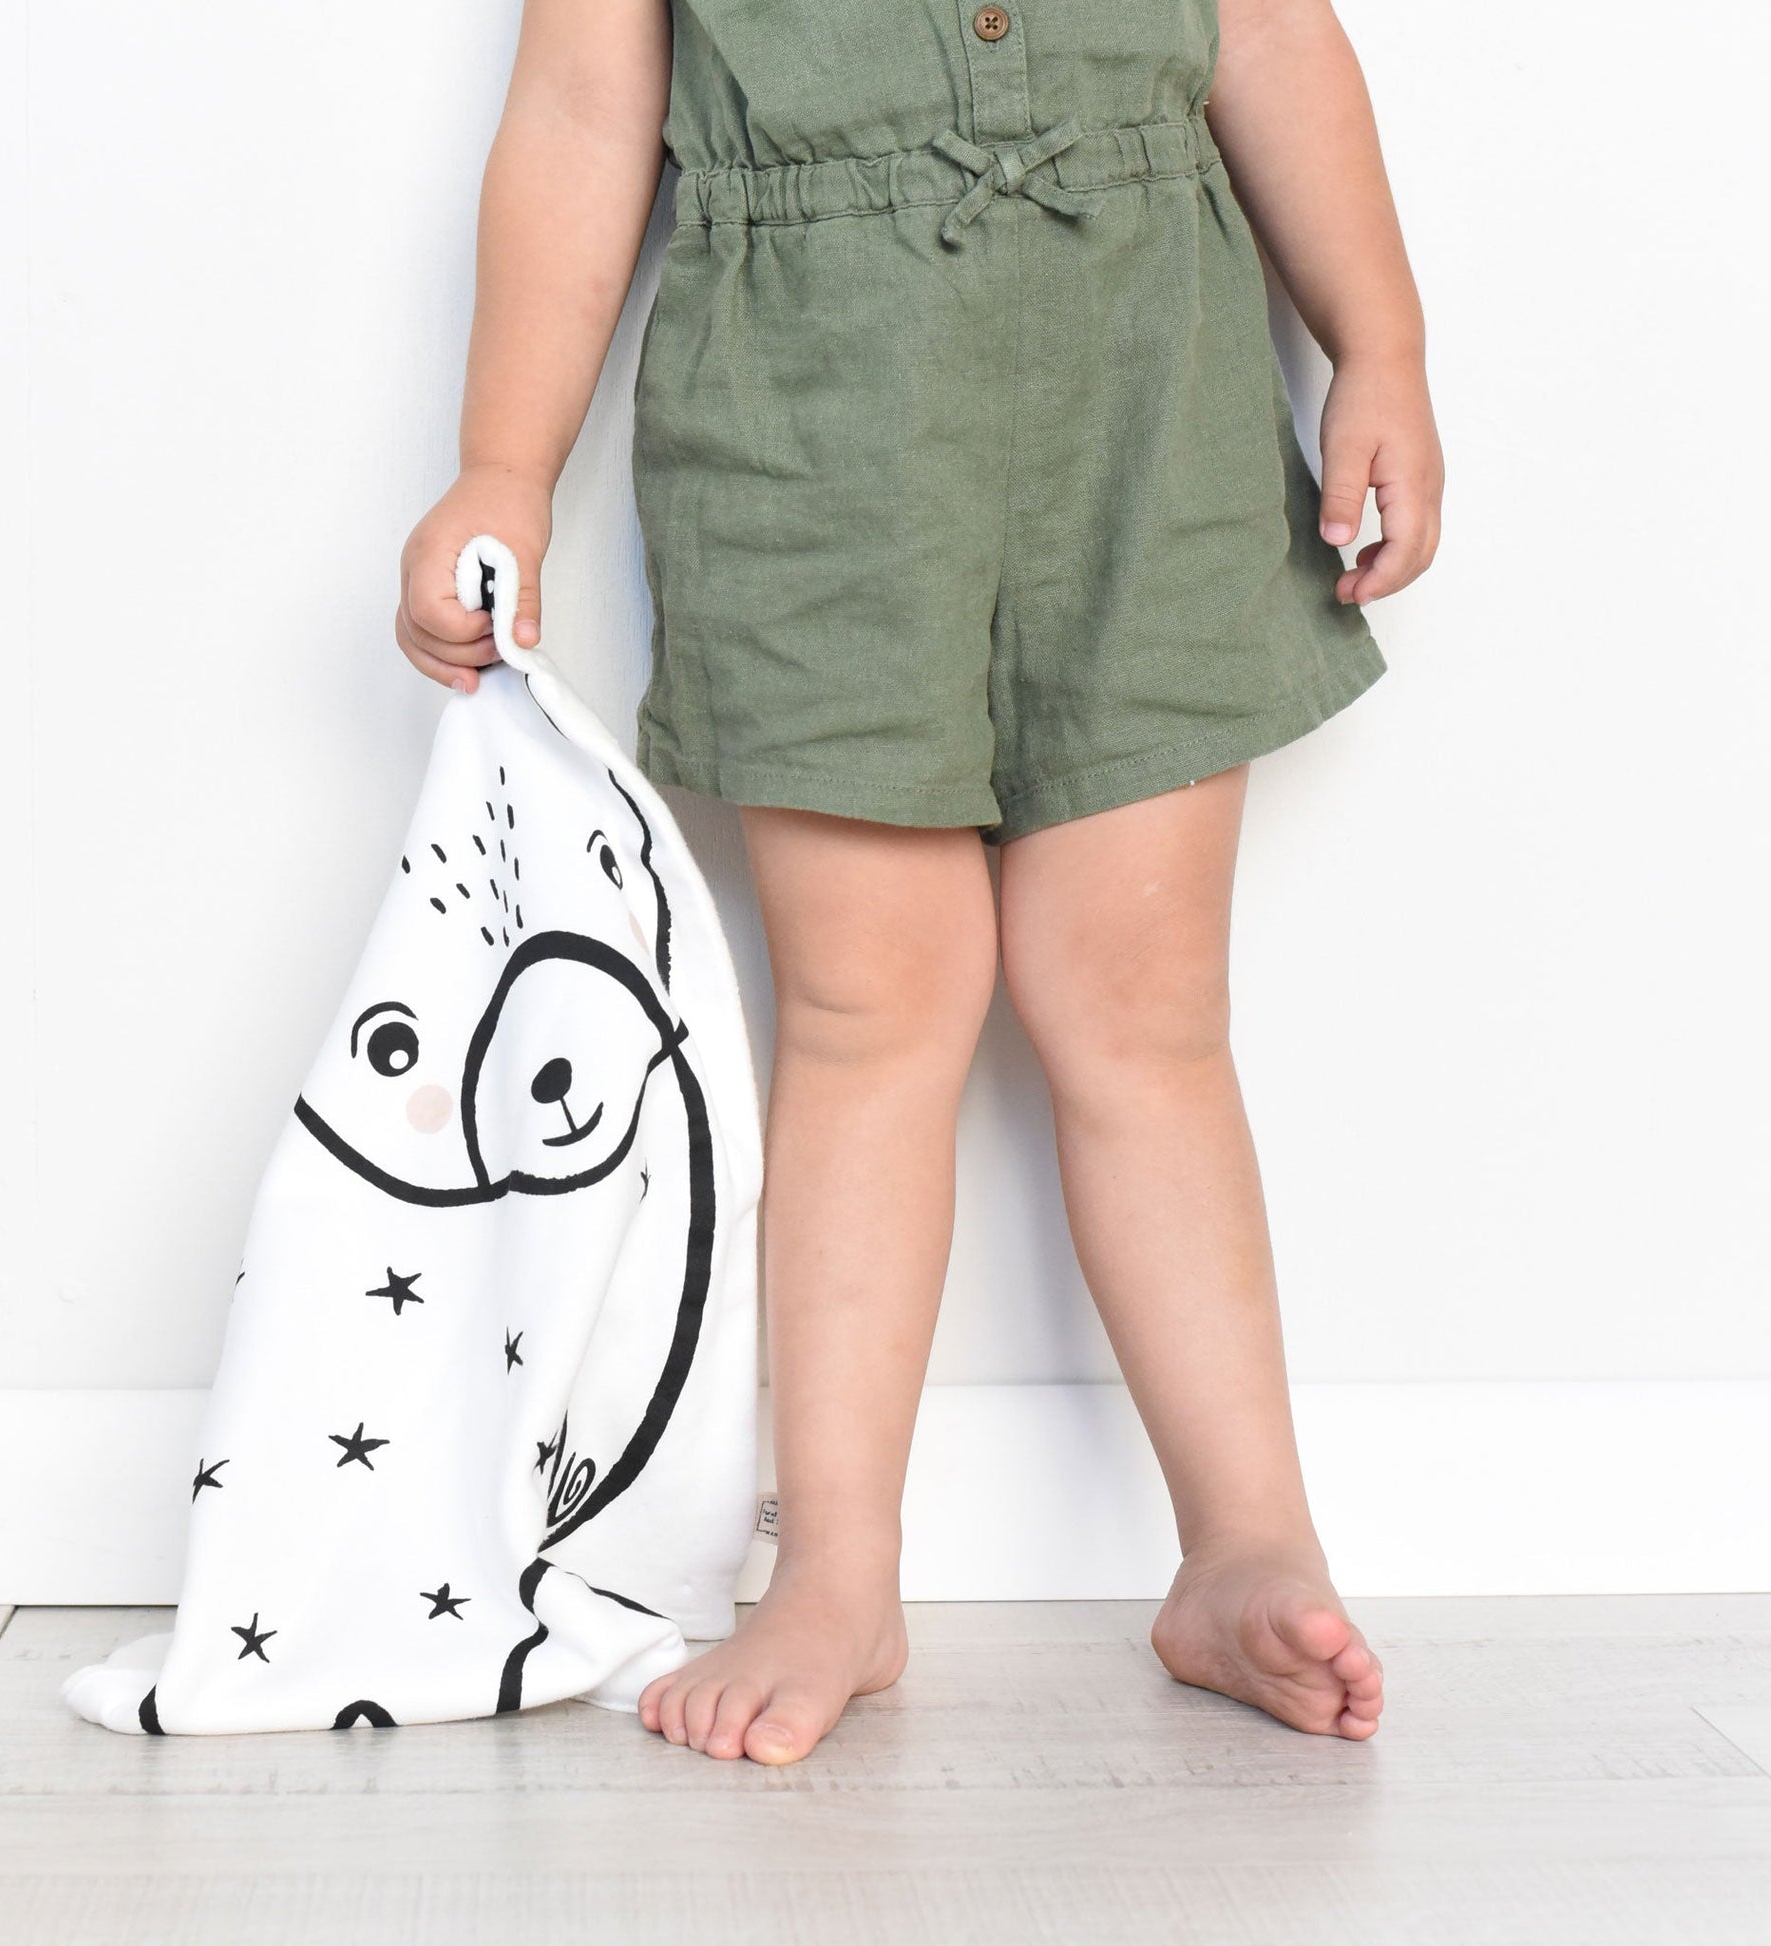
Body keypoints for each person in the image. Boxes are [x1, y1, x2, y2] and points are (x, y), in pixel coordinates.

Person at [396, 0, 1442, 1765]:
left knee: (1145, 1010)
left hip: (1150, 409)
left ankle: (1245, 1532)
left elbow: (1269, 32)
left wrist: (1379, 344)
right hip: (813, 435)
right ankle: (841, 1567)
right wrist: (503, 462)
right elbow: (581, 113)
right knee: (873, 1007)